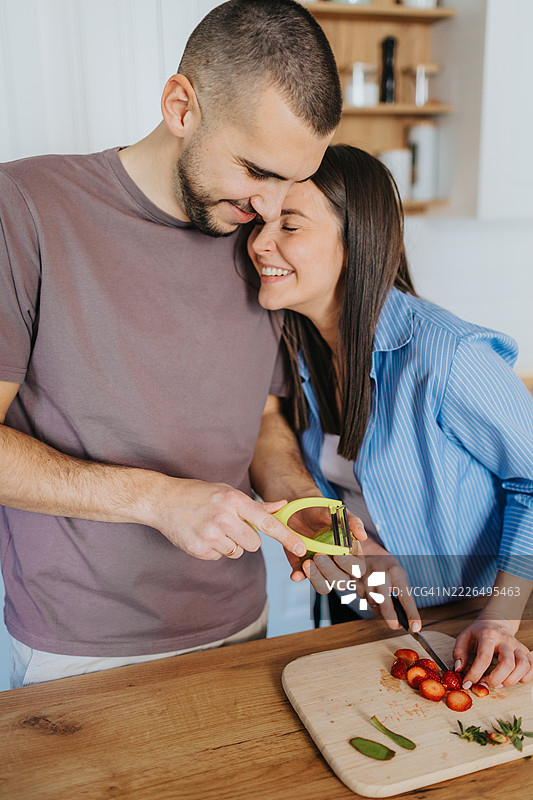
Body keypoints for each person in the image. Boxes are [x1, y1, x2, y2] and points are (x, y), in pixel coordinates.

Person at [0, 0, 366, 689]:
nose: (269, 209)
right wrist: (158, 501)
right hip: (84, 647)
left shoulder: (259, 246)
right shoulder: (23, 206)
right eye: (256, 170)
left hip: (243, 620)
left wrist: (299, 500)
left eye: (291, 180)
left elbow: (259, 415)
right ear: (180, 106)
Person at [245, 143, 533, 689]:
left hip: (476, 626)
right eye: (260, 223)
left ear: (355, 243)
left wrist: (500, 618)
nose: (259, 242)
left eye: (290, 226)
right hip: (368, 620)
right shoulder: (291, 346)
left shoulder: (447, 354)